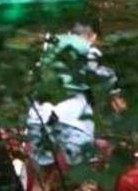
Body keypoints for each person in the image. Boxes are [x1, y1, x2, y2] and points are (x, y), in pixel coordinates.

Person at [26, 23, 126, 190]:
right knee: (84, 175)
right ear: (93, 36)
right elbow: (96, 74)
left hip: (38, 115)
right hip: (71, 115)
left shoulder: (48, 47)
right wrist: (114, 90)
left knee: (43, 177)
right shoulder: (87, 48)